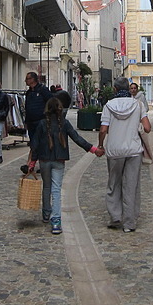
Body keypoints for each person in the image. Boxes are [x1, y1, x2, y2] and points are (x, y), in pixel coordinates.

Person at [28, 98, 104, 234]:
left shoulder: (41, 124)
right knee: (56, 189)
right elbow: (77, 139)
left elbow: (35, 145)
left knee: (46, 187)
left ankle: (46, 213)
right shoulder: (64, 124)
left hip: (44, 159)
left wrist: (32, 162)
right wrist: (94, 150)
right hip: (59, 159)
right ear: (60, 109)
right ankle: (56, 221)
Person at [99, 77, 150, 232]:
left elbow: (103, 129)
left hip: (114, 150)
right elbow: (147, 128)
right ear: (129, 89)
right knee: (131, 185)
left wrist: (100, 145)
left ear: (115, 89)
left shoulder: (109, 106)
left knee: (114, 183)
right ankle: (129, 223)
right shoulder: (138, 104)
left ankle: (115, 216)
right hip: (134, 150)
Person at [24, 71, 53, 148]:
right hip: (31, 122)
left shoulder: (43, 89)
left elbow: (51, 102)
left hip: (41, 120)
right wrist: (26, 121)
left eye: (27, 79)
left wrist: (47, 116)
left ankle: (43, 158)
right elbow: (27, 107)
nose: (26, 81)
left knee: (42, 142)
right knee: (33, 143)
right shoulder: (28, 92)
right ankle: (34, 158)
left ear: (33, 79)